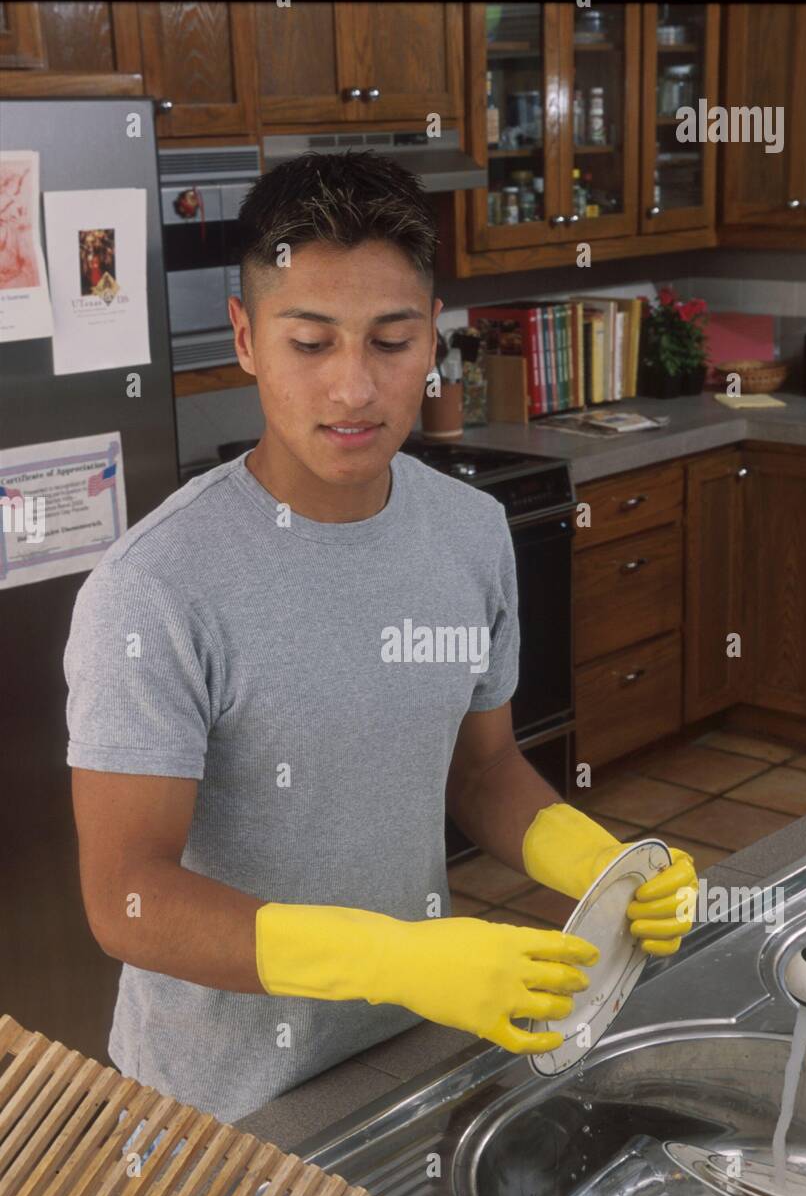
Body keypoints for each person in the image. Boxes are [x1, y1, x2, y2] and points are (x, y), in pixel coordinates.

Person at [64, 150, 698, 1125]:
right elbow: (126, 898)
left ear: (432, 341)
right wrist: (393, 956)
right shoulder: (155, 588)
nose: (354, 388)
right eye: (310, 343)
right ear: (245, 337)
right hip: (222, 1108)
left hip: (408, 1055)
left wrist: (603, 868)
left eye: (391, 341)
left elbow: (482, 775)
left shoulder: (467, 532)